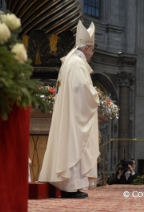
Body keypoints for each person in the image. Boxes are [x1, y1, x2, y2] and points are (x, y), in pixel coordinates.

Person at [38, 21, 99, 199]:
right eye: (92, 50)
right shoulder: (77, 64)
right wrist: (95, 95)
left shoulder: (69, 62)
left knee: (71, 145)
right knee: (74, 145)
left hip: (71, 113)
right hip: (74, 116)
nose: (92, 54)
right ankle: (70, 186)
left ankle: (73, 186)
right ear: (86, 48)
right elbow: (83, 90)